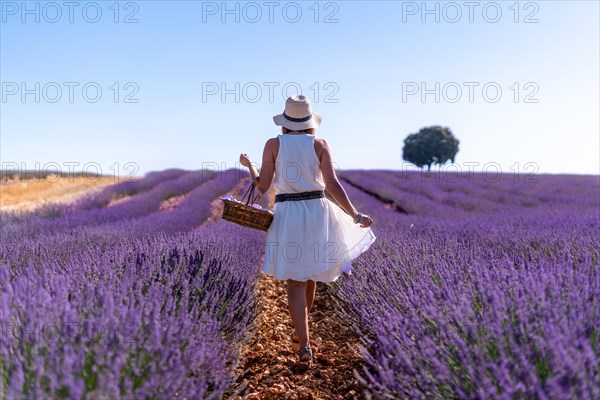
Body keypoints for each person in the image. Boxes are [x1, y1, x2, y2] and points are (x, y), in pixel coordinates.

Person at [239, 94, 376, 365]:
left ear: (285, 121)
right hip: (317, 211)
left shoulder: (273, 144)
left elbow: (262, 187)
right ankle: (303, 336)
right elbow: (333, 184)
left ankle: (304, 343)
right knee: (310, 274)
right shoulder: (320, 143)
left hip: (288, 213)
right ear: (310, 121)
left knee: (296, 280)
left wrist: (250, 166)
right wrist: (355, 214)